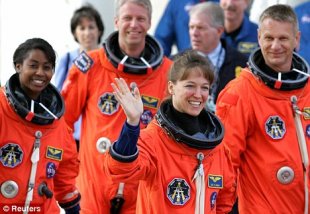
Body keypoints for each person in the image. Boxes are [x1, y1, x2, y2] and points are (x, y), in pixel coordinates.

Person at [61, 0, 172, 213]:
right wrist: (70, 167)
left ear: (149, 22)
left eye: (140, 19)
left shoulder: (168, 72)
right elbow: (62, 122)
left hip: (142, 185)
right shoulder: (91, 64)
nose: (134, 24)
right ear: (116, 22)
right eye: (127, 18)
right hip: (94, 182)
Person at [104, 50, 236, 213]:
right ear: (171, 87)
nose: (198, 94)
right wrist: (132, 124)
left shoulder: (216, 146)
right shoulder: (153, 140)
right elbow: (120, 170)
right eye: (190, 85)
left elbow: (224, 200)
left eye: (204, 88)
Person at [216, 4, 310, 213]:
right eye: (269, 38)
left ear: (297, 39)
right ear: (258, 37)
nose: (275, 46)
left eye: (283, 38)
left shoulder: (308, 89)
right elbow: (223, 164)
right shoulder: (239, 93)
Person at [0, 38, 80, 213]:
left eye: (47, 67)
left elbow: (65, 175)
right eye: (33, 65)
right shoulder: (2, 108)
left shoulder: (57, 122)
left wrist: (73, 209)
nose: (40, 73)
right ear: (18, 66)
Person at [52, 4, 104, 151]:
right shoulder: (67, 59)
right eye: (82, 28)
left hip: (99, 134)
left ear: (99, 30)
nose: (87, 32)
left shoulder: (107, 60)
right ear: (75, 33)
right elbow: (58, 95)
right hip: (71, 133)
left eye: (91, 27)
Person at [186, 1, 247, 112]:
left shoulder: (243, 64)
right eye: (191, 27)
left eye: (200, 28)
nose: (194, 33)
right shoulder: (175, 62)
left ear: (219, 31)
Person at [154, 0, 219, 57]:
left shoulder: (224, 3)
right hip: (187, 64)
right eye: (191, 27)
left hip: (222, 64)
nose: (195, 33)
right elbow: (162, 42)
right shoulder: (178, 3)